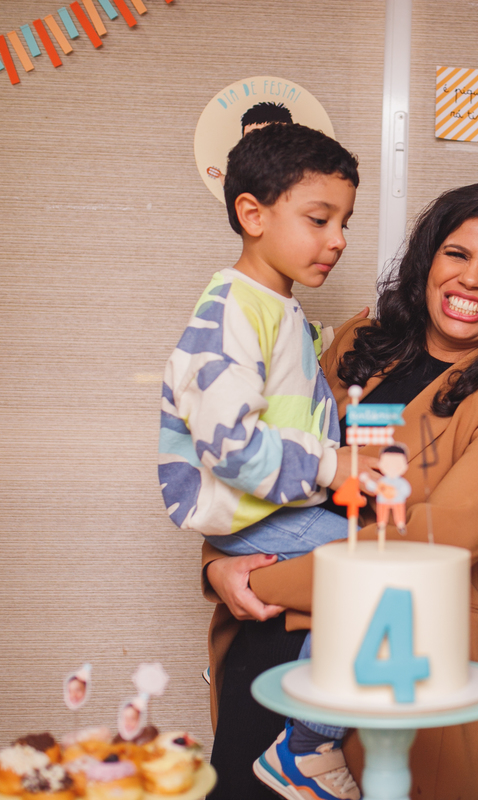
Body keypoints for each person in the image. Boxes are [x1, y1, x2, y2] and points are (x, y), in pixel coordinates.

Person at [201, 182, 478, 800]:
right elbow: (265, 464)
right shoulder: (358, 343)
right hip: (264, 657)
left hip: (393, 682)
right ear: (428, 261)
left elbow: (428, 545)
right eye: (456, 254)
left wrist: (254, 581)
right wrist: (216, 568)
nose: (471, 279)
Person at [158, 123, 368, 799]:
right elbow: (234, 447)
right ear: (252, 214)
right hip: (254, 509)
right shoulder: (230, 313)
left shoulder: (274, 306)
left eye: (344, 222)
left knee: (368, 569)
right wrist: (335, 465)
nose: (336, 239)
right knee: (376, 569)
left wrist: (348, 333)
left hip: (270, 510)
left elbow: (292, 371)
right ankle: (305, 746)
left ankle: (305, 738)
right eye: (318, 219)